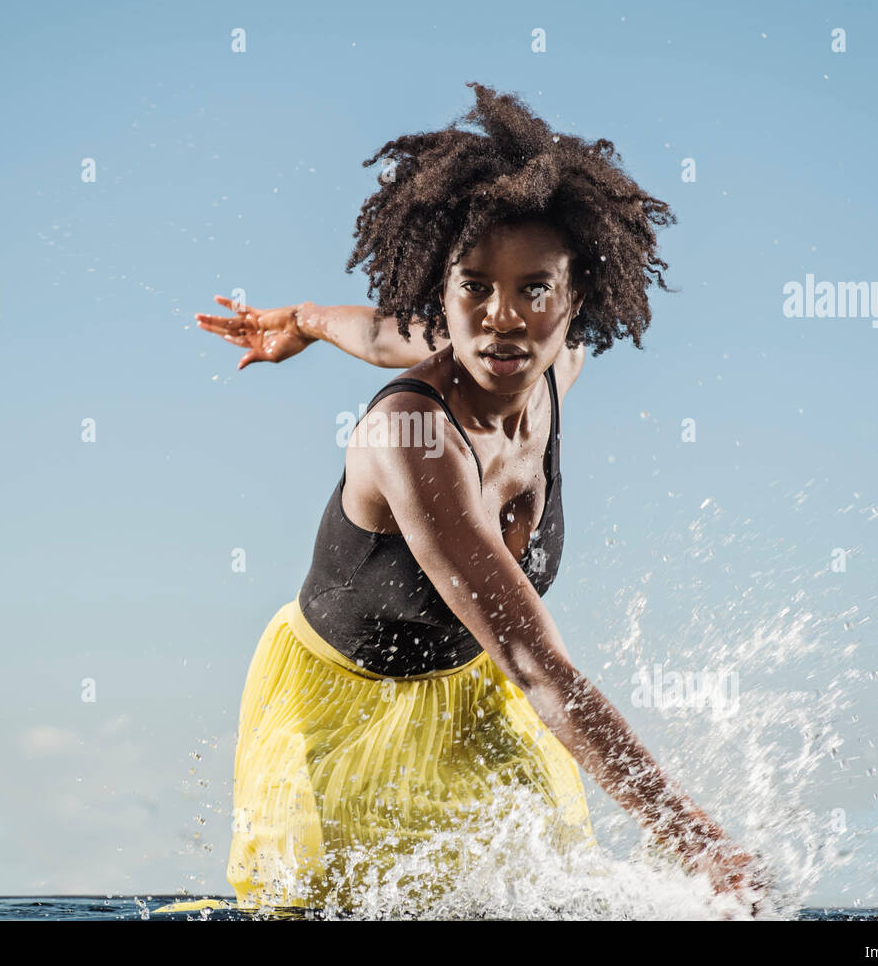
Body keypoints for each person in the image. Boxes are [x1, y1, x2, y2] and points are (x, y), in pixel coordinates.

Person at [196, 82, 770, 916]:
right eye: (474, 287)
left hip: (475, 688)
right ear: (442, 291)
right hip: (335, 706)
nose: (502, 318)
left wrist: (312, 320)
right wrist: (698, 840)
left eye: (535, 289)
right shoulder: (410, 437)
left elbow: (377, 329)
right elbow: (538, 665)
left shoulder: (558, 370)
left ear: (575, 302)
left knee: (549, 897)